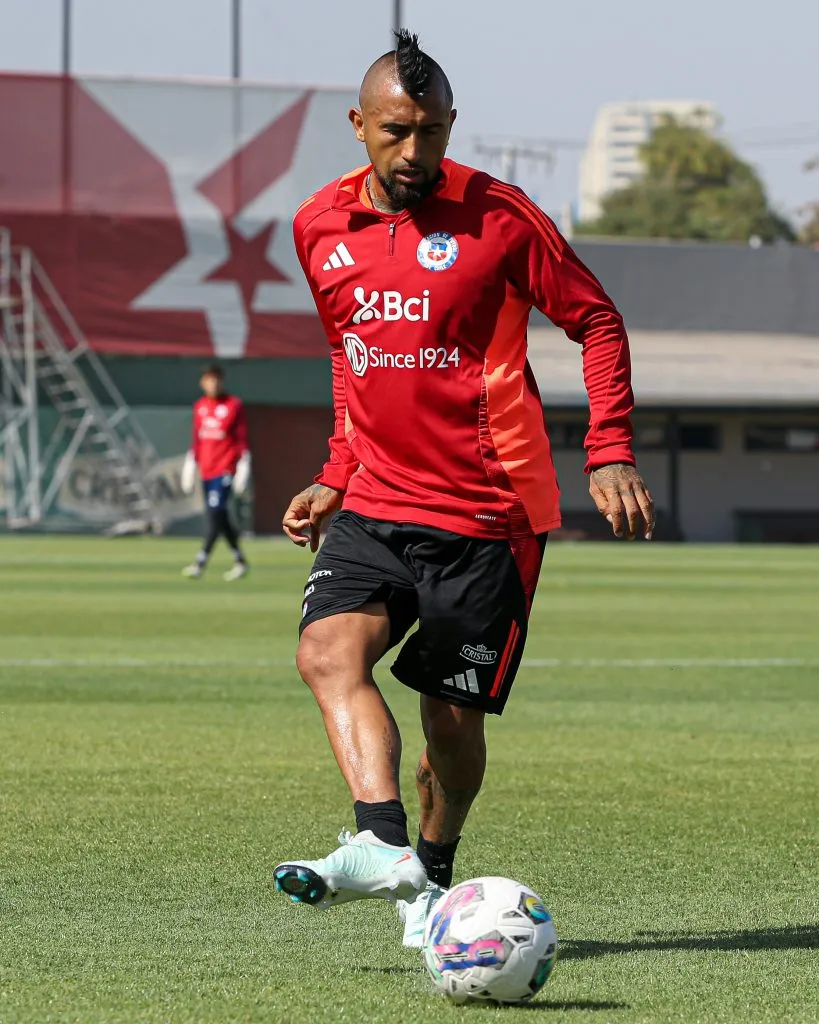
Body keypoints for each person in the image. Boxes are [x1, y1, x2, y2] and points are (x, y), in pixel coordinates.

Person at [273, 31, 654, 946]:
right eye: (397, 131)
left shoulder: (501, 218)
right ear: (358, 125)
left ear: (451, 125)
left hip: (488, 512)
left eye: (433, 131)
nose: (416, 152)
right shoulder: (317, 226)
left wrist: (608, 447)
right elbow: (351, 358)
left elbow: (595, 320)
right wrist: (337, 471)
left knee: (448, 722)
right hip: (376, 501)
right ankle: (380, 844)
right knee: (326, 654)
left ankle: (431, 879)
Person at [180, 364, 251, 581]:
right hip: (207, 471)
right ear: (202, 383)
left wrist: (243, 466)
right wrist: (190, 465)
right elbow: (197, 439)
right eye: (209, 380)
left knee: (215, 513)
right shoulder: (200, 406)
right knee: (220, 516)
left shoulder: (233, 405)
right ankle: (240, 560)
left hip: (225, 469)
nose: (214, 384)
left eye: (217, 379)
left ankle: (200, 562)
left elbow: (241, 439)